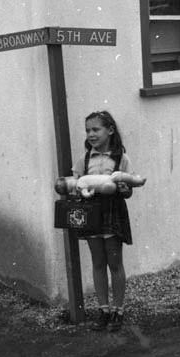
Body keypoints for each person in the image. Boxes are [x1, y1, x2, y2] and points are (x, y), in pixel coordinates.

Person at [60, 110, 136, 333]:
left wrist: (124, 189)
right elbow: (74, 185)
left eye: (96, 129)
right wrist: (80, 191)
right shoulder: (84, 160)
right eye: (87, 130)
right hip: (91, 213)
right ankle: (103, 310)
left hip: (112, 211)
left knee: (115, 262)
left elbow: (128, 191)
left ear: (110, 130)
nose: (91, 134)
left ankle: (118, 310)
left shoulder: (122, 158)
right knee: (98, 262)